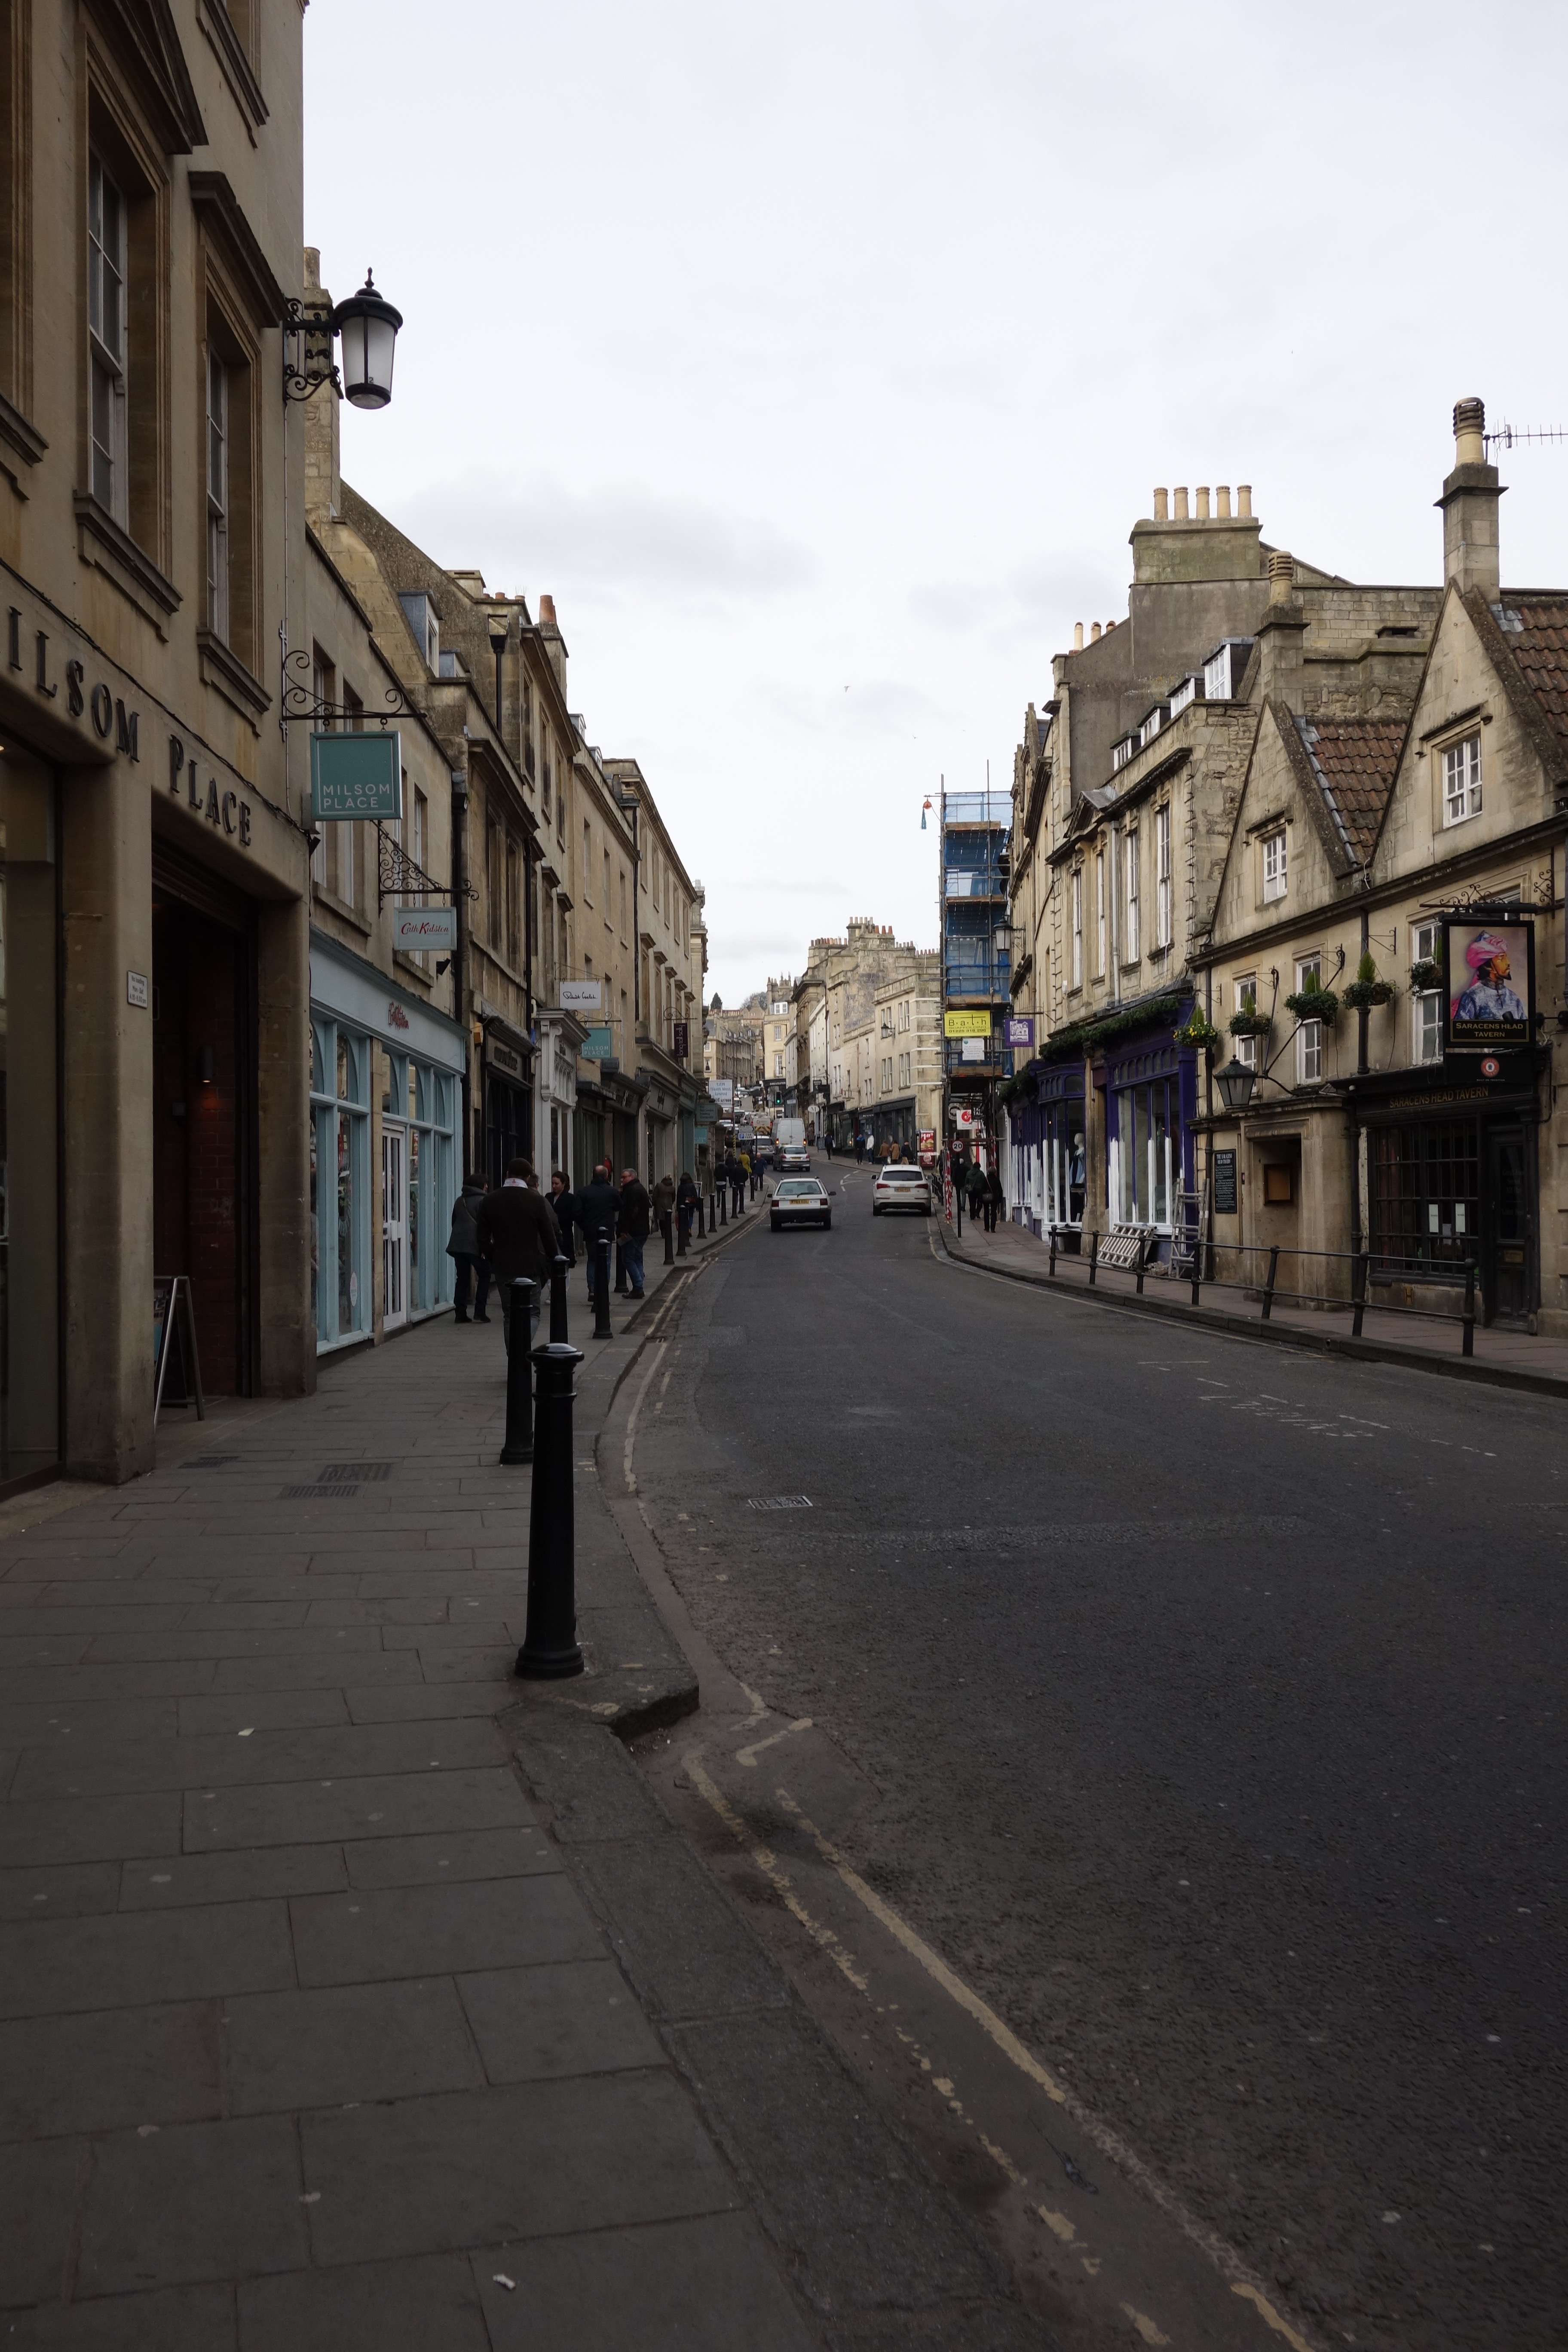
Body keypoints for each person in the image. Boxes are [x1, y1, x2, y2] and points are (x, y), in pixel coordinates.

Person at [475, 1159, 561, 1355]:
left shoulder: (490, 1200)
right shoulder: (536, 1200)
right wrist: (553, 1260)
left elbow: (482, 1238)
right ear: (528, 1177)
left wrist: (494, 1256)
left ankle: (514, 1355)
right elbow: (548, 1235)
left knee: (509, 1314)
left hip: (503, 1266)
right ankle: (519, 1350)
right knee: (533, 1312)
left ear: (507, 1174)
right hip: (531, 1265)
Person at [1453, 931, 1528, 1025]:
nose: (1508, 962)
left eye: (1506, 957)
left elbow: (1525, 1029)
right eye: (1502, 958)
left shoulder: (1514, 998)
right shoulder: (1473, 997)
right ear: (1488, 966)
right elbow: (1461, 1030)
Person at [447, 1173, 492, 1324]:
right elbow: (486, 1225)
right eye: (485, 1184)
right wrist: (486, 1246)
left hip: (458, 1245)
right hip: (474, 1244)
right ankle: (480, 1311)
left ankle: (460, 1313)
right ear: (481, 1185)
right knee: (485, 1273)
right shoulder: (483, 1201)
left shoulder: (460, 1200)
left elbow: (454, 1221)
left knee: (462, 1278)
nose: (487, 1186)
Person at [576, 1162, 620, 1302]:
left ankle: (592, 1288)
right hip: (606, 1233)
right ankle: (602, 1290)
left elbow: (577, 1213)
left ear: (592, 1176)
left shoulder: (583, 1192)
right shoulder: (612, 1191)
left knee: (592, 1261)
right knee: (605, 1262)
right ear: (607, 1176)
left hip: (590, 1233)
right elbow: (619, 1206)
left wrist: (585, 1226)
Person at [618, 1167, 652, 1298]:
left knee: (628, 1260)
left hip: (633, 1232)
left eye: (624, 1177)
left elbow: (629, 1213)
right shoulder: (638, 1188)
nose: (621, 1180)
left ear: (632, 1177)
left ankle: (638, 1287)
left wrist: (624, 1231)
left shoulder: (632, 1191)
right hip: (642, 1230)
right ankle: (639, 1285)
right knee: (637, 1258)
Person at [549, 1169, 579, 1266]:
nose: (554, 1186)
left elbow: (573, 1215)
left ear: (563, 1184)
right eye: (553, 1183)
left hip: (564, 1234)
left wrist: (556, 1218)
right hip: (551, 1234)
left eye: (557, 1184)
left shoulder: (570, 1198)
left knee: (565, 1261)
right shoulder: (549, 1197)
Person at [652, 1170, 676, 1259]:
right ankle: (667, 1232)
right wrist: (671, 1202)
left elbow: (655, 1195)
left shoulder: (659, 1185)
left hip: (659, 1204)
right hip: (668, 1204)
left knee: (661, 1219)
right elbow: (674, 1197)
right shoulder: (672, 1188)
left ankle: (663, 1232)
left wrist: (654, 1203)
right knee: (667, 1219)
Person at [676, 1169, 699, 1249]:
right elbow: (695, 1195)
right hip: (691, 1203)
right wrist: (698, 1205)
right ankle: (689, 1228)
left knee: (684, 1218)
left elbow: (678, 1197)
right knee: (691, 1216)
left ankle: (686, 1229)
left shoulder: (680, 1187)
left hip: (683, 1203)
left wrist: (678, 1207)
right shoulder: (692, 1186)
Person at [966, 1157, 988, 1228]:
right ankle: (977, 1212)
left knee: (972, 1203)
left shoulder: (969, 1173)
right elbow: (984, 1182)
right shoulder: (981, 1174)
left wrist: (967, 1188)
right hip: (979, 1190)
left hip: (971, 1190)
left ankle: (972, 1216)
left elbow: (966, 1182)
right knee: (980, 1202)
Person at [986, 1161, 1005, 1234]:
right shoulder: (996, 1180)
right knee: (994, 1212)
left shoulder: (986, 1179)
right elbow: (1000, 1189)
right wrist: (1000, 1199)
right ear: (995, 1173)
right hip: (995, 1198)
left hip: (986, 1198)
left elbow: (982, 1189)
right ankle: (993, 1228)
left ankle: (987, 1227)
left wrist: (981, 1198)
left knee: (987, 1212)